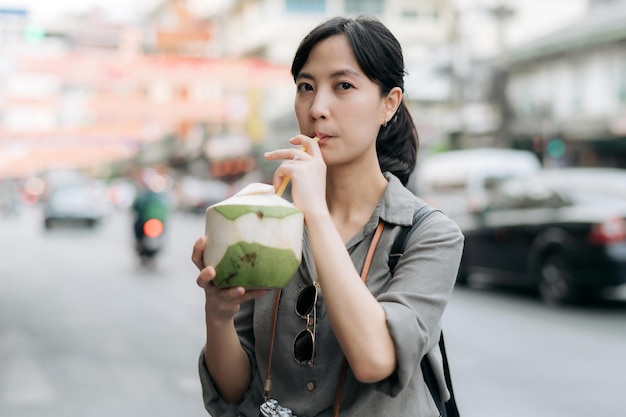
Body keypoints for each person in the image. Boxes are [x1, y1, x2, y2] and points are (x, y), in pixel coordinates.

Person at [191, 15, 464, 417]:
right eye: (306, 87)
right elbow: (235, 390)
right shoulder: (268, 223)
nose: (317, 108)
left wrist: (315, 213)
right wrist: (219, 313)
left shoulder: (429, 234)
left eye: (344, 86)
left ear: (388, 104)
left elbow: (376, 359)